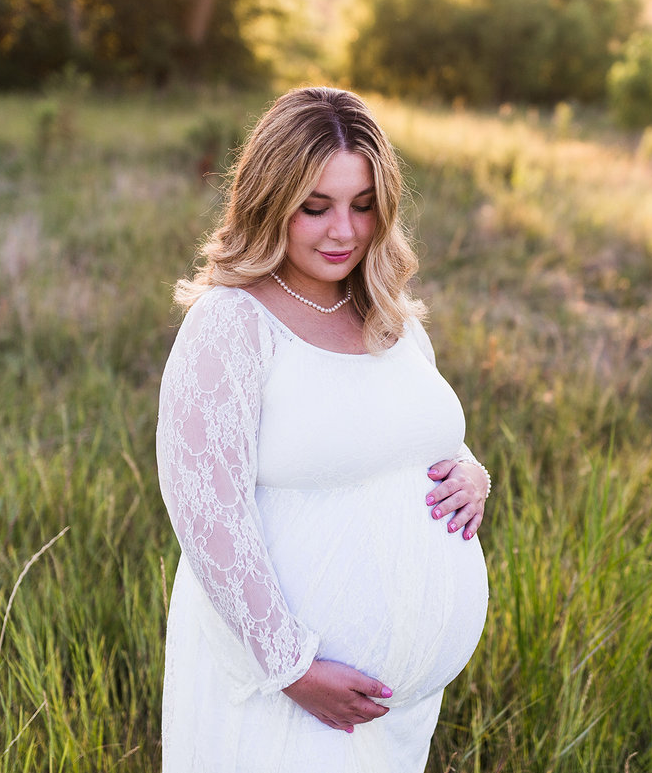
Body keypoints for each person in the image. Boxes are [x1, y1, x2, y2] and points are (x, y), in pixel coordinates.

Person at [155, 86, 491, 772]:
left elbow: (415, 435)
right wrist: (291, 666)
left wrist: (472, 471)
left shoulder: (390, 315)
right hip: (282, 688)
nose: (344, 230)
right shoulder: (232, 323)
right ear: (269, 200)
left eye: (363, 205)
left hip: (394, 710)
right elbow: (204, 511)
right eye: (316, 207)